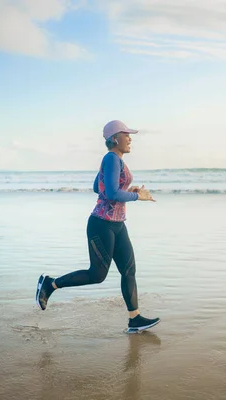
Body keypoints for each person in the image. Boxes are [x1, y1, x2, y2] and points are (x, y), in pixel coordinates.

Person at [35, 120, 160, 333]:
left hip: (117, 224)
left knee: (129, 270)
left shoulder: (115, 160)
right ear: (114, 139)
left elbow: (97, 187)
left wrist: (128, 189)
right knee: (97, 275)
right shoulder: (111, 158)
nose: (130, 138)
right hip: (101, 225)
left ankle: (135, 319)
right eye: (126, 134)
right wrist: (136, 196)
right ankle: (50, 284)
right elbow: (110, 194)